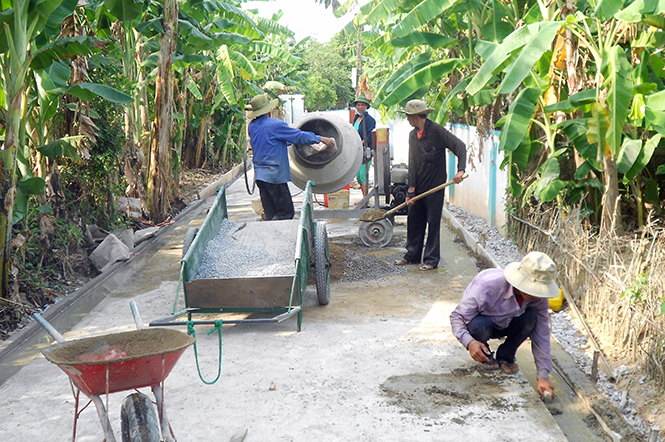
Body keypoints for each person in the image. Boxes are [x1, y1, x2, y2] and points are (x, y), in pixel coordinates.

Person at [450, 252, 559, 399]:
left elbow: (542, 334)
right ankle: (485, 353)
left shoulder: (539, 299)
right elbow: (457, 317)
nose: (536, 295)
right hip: (483, 322)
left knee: (531, 319)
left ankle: (506, 356)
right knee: (478, 327)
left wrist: (543, 376)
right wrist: (469, 343)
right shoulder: (487, 286)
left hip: (510, 322)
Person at [393, 99, 466, 271]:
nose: (408, 120)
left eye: (409, 117)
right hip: (418, 187)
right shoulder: (413, 135)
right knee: (414, 220)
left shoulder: (436, 131)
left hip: (435, 187)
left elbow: (460, 146)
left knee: (433, 223)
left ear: (417, 116)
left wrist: (460, 170)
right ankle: (412, 255)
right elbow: (413, 162)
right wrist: (411, 189)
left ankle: (431, 260)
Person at [247, 94, 335, 220]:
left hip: (260, 176)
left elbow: (270, 141)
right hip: (275, 176)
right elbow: (298, 136)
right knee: (285, 213)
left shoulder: (252, 126)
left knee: (271, 213)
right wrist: (320, 138)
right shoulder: (276, 125)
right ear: (269, 111)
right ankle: (285, 237)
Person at [352, 94, 376, 199]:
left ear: (366, 106)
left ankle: (366, 199)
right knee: (358, 175)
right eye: (358, 105)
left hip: (365, 149)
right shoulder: (356, 118)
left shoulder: (369, 120)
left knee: (363, 175)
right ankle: (364, 197)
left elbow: (371, 134)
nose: (360, 107)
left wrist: (362, 142)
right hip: (357, 149)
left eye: (362, 105)